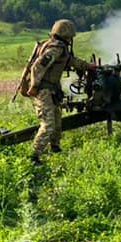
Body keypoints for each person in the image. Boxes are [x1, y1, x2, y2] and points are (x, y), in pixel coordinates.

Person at [21, 19, 95, 164]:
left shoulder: (58, 47)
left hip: (51, 90)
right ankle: (33, 156)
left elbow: (71, 61)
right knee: (48, 124)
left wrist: (88, 66)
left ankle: (55, 147)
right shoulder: (56, 48)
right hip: (43, 90)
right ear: (66, 35)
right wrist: (34, 86)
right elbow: (38, 66)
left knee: (57, 120)